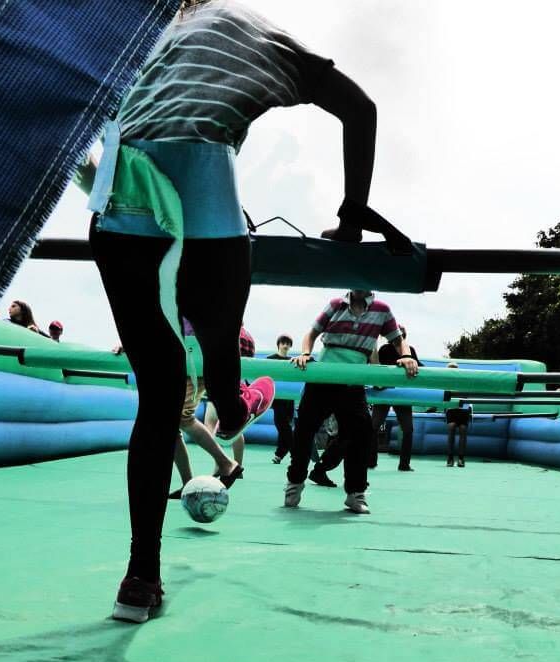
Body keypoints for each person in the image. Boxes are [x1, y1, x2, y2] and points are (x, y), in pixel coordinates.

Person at [83, 0, 406, 621]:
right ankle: (234, 405)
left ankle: (139, 580)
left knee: (158, 400)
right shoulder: (246, 27)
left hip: (120, 219)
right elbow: (361, 109)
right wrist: (352, 216)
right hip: (208, 213)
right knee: (220, 347)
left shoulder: (125, 38)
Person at [285, 290, 418, 513]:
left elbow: (398, 341)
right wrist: (306, 353)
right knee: (303, 432)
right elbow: (312, 333)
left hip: (353, 382)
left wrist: (406, 356)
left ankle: (356, 494)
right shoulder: (335, 304)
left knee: (360, 435)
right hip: (323, 378)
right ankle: (294, 484)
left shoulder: (382, 310)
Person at [368, 324, 421, 472]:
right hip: (384, 391)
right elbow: (376, 366)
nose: (398, 337)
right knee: (373, 427)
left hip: (401, 394)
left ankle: (404, 463)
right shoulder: (385, 349)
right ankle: (371, 461)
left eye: (401, 335)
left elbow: (418, 367)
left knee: (408, 429)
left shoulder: (410, 350)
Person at [203, 326, 256, 471]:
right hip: (239, 384)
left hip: (220, 382)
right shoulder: (249, 337)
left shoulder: (225, 332)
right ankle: (238, 464)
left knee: (210, 423)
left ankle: (221, 462)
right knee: (235, 427)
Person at [267, 335, 295, 464]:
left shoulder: (292, 361)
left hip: (289, 399)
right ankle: (295, 450)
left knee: (285, 428)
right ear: (278, 344)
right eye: (283, 343)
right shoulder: (270, 359)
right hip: (277, 398)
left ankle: (279, 455)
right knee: (282, 426)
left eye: (288, 343)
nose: (285, 345)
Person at [444, 361, 471, 467]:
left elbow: (467, 396)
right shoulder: (444, 382)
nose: (452, 370)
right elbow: (442, 397)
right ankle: (450, 458)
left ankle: (461, 458)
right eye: (450, 368)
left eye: (454, 368)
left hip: (463, 409)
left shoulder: (463, 381)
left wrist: (469, 408)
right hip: (451, 409)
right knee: (451, 427)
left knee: (463, 429)